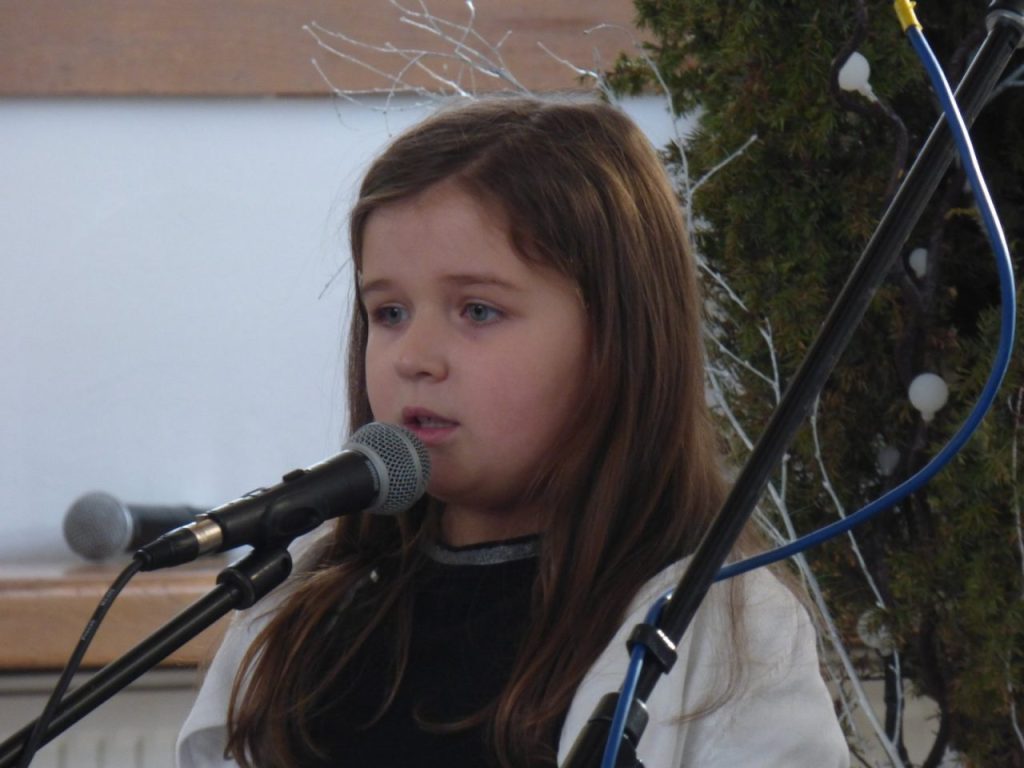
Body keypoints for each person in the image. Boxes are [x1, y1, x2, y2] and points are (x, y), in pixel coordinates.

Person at [176, 96, 849, 768]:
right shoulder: (304, 598)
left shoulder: (725, 635)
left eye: (477, 310)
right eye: (390, 313)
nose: (415, 357)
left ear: (616, 340)